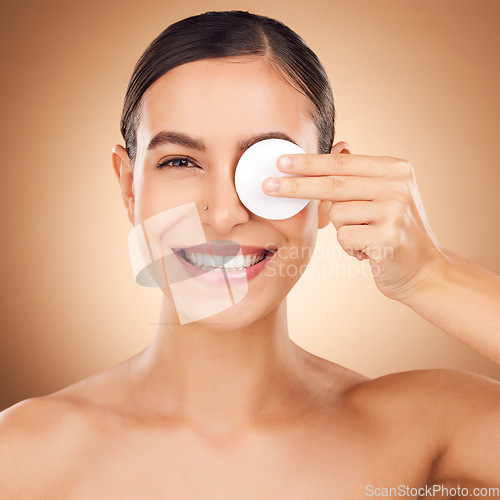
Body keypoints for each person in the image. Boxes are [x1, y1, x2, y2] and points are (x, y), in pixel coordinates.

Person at [1, 10, 499, 498]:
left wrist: (431, 277)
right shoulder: (23, 454)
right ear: (129, 187)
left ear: (329, 187)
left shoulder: (428, 434)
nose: (223, 214)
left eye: (263, 167)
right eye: (180, 161)